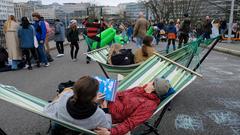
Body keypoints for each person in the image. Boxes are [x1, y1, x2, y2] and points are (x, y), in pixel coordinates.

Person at [94, 77, 173, 135]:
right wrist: (107, 95)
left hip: (108, 116)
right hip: (105, 103)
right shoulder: (139, 89)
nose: (148, 82)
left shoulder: (149, 105)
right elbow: (120, 94)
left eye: (151, 82)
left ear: (153, 88)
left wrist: (110, 133)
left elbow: (130, 123)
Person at [43, 76, 111, 135]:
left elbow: (47, 109)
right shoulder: (98, 114)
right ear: (94, 97)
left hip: (61, 127)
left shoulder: (64, 96)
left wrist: (59, 96)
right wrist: (105, 109)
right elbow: (107, 126)